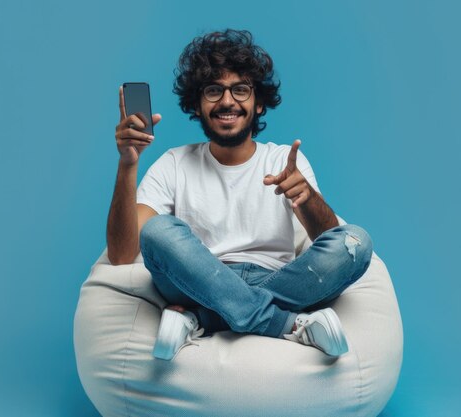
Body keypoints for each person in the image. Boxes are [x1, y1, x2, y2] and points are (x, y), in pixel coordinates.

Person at [106, 29, 372, 360]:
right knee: (157, 231)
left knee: (356, 242)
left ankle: (204, 319)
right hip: (196, 282)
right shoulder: (173, 163)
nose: (228, 101)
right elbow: (121, 254)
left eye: (240, 90)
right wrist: (127, 164)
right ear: (198, 104)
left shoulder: (282, 159)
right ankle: (286, 324)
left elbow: (328, 238)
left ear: (258, 104)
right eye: (214, 91)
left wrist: (306, 198)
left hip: (272, 278)